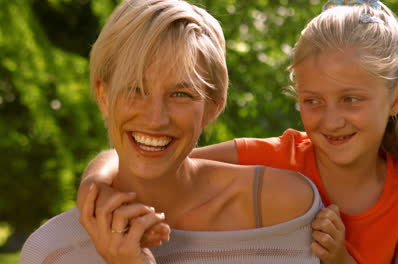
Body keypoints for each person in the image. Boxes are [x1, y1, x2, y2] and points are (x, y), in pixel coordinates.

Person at [76, 0, 398, 263]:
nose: (331, 120)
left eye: (351, 100)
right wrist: (94, 184)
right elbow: (159, 158)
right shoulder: (274, 158)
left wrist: (341, 260)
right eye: (313, 101)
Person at [19, 0, 324, 263]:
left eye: (181, 94)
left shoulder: (286, 209)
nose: (155, 119)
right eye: (135, 89)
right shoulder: (51, 252)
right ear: (103, 96)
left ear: (213, 106)